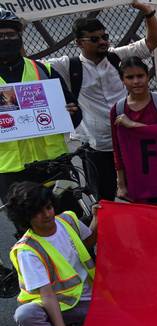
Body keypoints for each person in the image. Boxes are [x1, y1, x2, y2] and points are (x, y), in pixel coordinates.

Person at [42, 0, 157, 201]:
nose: (103, 41)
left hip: (128, 141)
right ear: (79, 43)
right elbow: (29, 66)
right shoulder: (67, 65)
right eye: (95, 39)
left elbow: (152, 42)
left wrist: (148, 14)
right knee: (104, 200)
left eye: (105, 37)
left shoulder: (116, 57)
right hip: (96, 147)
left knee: (142, 194)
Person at [6, 181, 99, 326]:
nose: (47, 214)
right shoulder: (27, 250)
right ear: (25, 218)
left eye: (48, 207)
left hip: (93, 297)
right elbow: (47, 295)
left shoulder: (68, 219)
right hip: (57, 305)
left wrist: (98, 219)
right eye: (38, 212)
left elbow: (86, 244)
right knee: (25, 315)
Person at [0, 11, 82, 201]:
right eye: (0, 36)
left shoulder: (44, 70)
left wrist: (70, 113)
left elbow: (75, 113)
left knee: (69, 219)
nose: (5, 40)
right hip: (11, 171)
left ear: (20, 38)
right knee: (27, 227)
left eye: (10, 35)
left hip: (53, 165)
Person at [110, 57, 157, 199]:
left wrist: (133, 125)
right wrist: (121, 184)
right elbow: (117, 150)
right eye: (130, 77)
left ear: (147, 76)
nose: (136, 81)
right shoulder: (118, 109)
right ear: (123, 80)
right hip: (137, 178)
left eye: (140, 76)